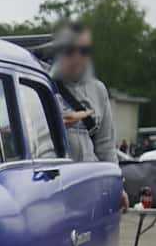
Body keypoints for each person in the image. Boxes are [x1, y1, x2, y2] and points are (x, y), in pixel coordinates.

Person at [50, 21, 118, 165]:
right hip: (57, 181)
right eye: (69, 49)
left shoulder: (99, 90)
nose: (76, 57)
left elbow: (106, 149)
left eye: (84, 50)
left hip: (89, 180)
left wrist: (118, 182)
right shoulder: (40, 84)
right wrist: (52, 125)